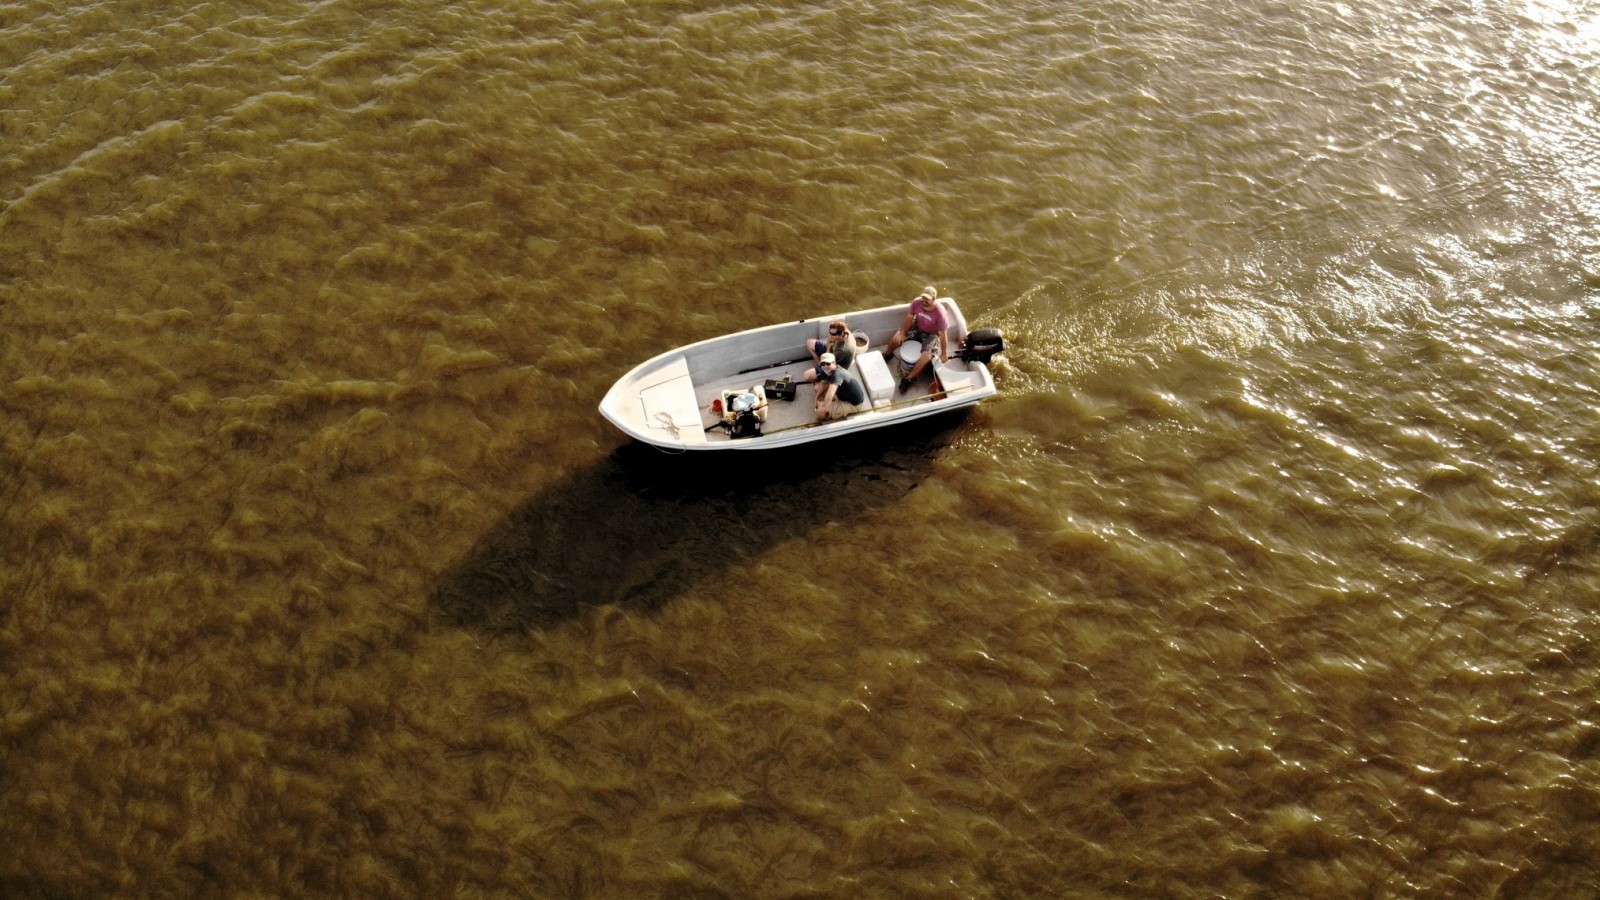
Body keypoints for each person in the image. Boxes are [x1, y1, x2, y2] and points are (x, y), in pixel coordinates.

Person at [885, 285, 949, 393]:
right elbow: (909, 317)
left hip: (932, 335)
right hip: (917, 327)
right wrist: (902, 333)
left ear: (934, 299)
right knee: (896, 338)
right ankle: (887, 354)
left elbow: (943, 335)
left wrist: (944, 354)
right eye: (923, 297)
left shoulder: (940, 313)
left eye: (927, 299)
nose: (924, 301)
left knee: (927, 356)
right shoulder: (916, 302)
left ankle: (908, 379)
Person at [802, 319, 855, 390]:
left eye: (833, 334)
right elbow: (829, 342)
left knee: (807, 376)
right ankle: (819, 365)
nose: (830, 335)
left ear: (841, 334)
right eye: (829, 332)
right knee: (809, 342)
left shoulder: (842, 350)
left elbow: (827, 358)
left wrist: (829, 346)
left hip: (835, 366)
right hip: (831, 352)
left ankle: (826, 381)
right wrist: (830, 343)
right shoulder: (843, 330)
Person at [812, 352, 866, 421]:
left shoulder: (837, 374)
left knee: (820, 411)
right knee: (816, 388)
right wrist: (816, 399)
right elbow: (823, 384)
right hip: (842, 394)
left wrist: (821, 407)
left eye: (828, 363)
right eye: (823, 364)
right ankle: (830, 409)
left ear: (834, 362)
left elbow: (829, 397)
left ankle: (820, 421)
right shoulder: (826, 370)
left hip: (853, 404)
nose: (825, 366)